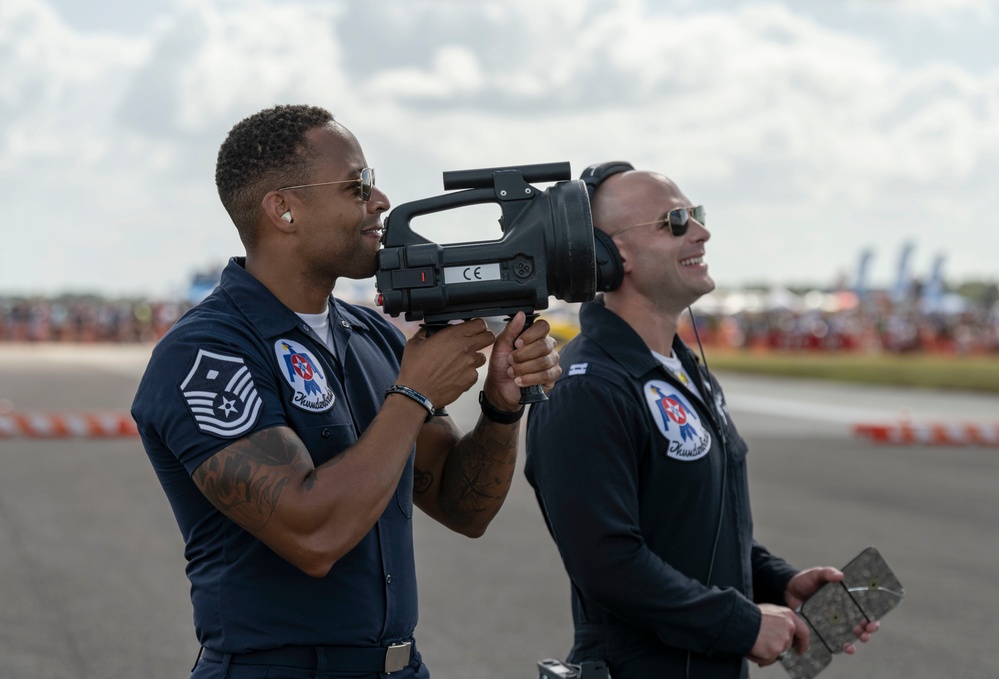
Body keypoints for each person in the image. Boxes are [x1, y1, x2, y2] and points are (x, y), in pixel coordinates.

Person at [131, 104, 561, 679]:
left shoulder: (374, 335)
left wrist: (500, 409)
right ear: (283, 209)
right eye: (359, 185)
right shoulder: (205, 354)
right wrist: (411, 396)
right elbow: (313, 534)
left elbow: (464, 508)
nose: (380, 202)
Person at [524, 163, 878, 679]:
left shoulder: (683, 370)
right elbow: (608, 565)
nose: (702, 231)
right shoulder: (588, 386)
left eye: (698, 215)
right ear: (612, 253)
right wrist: (741, 623)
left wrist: (779, 582)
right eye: (676, 220)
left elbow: (694, 525)